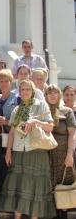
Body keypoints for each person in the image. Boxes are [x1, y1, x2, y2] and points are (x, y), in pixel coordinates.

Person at [0, 80, 56, 219]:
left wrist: (35, 121)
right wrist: (8, 151)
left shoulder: (41, 105)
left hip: (37, 151)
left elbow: (50, 127)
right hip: (19, 152)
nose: (25, 92)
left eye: (27, 89)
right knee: (19, 187)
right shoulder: (17, 109)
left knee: (35, 188)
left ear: (33, 91)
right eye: (22, 89)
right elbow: (12, 132)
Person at [45, 85, 76, 219]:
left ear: (59, 95)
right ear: (46, 95)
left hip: (64, 154)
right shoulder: (42, 111)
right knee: (49, 187)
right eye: (49, 93)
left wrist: (70, 154)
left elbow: (72, 135)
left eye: (55, 92)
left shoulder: (67, 111)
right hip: (47, 155)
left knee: (64, 187)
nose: (52, 95)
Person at [0, 69, 17, 200]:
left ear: (11, 82)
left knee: (9, 170)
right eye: (1, 81)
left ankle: (8, 201)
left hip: (12, 139)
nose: (3, 83)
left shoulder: (17, 98)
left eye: (6, 81)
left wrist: (6, 121)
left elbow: (20, 122)